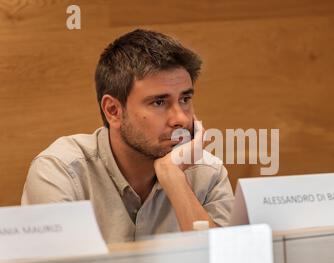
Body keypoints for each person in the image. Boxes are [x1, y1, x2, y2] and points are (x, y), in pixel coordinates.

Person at [21, 29, 234, 243]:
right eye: (159, 102)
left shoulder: (208, 173)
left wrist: (173, 178)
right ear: (113, 110)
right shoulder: (60, 172)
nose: (181, 119)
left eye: (185, 99)